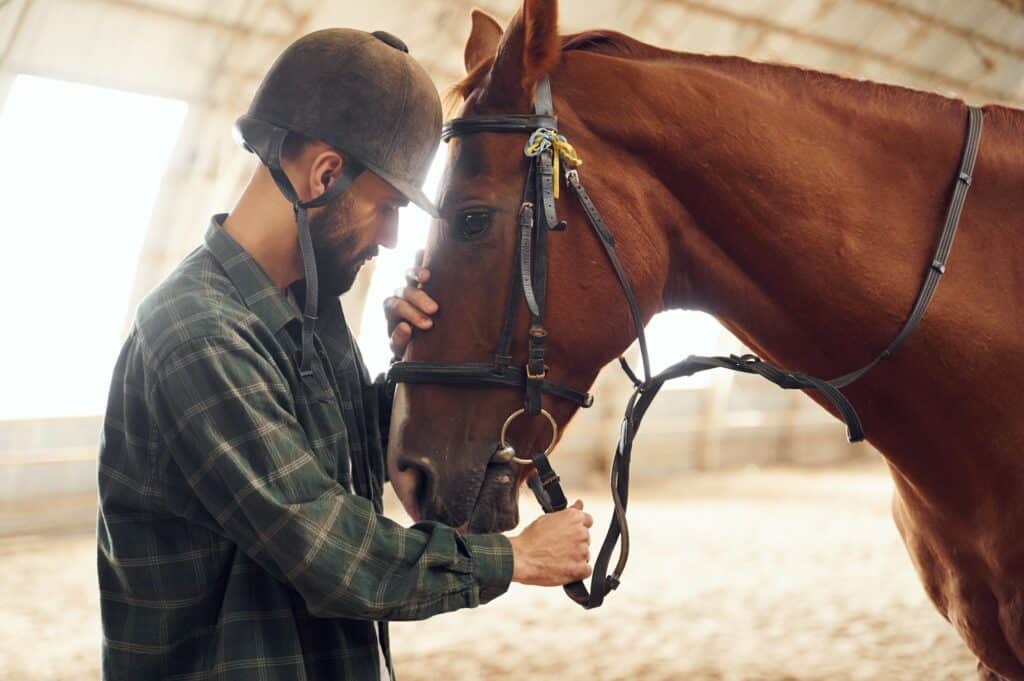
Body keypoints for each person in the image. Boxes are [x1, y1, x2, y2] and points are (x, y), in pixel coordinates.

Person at [96, 28, 592, 681]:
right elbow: (331, 551)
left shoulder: (311, 313)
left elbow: (345, 459)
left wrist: (412, 364)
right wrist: (515, 557)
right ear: (326, 174)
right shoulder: (195, 334)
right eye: (388, 207)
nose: (390, 238)